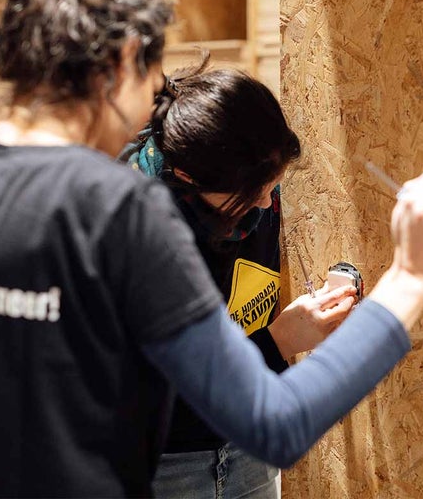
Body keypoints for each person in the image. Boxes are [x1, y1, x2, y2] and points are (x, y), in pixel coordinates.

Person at [0, 0, 423, 496]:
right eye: (154, 75)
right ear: (122, 62)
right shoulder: (119, 213)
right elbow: (276, 425)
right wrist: (413, 276)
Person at [120, 62, 358, 498]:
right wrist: (279, 342)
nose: (268, 203)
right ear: (190, 179)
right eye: (254, 192)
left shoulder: (252, 185)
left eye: (275, 185)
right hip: (164, 466)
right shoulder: (139, 231)